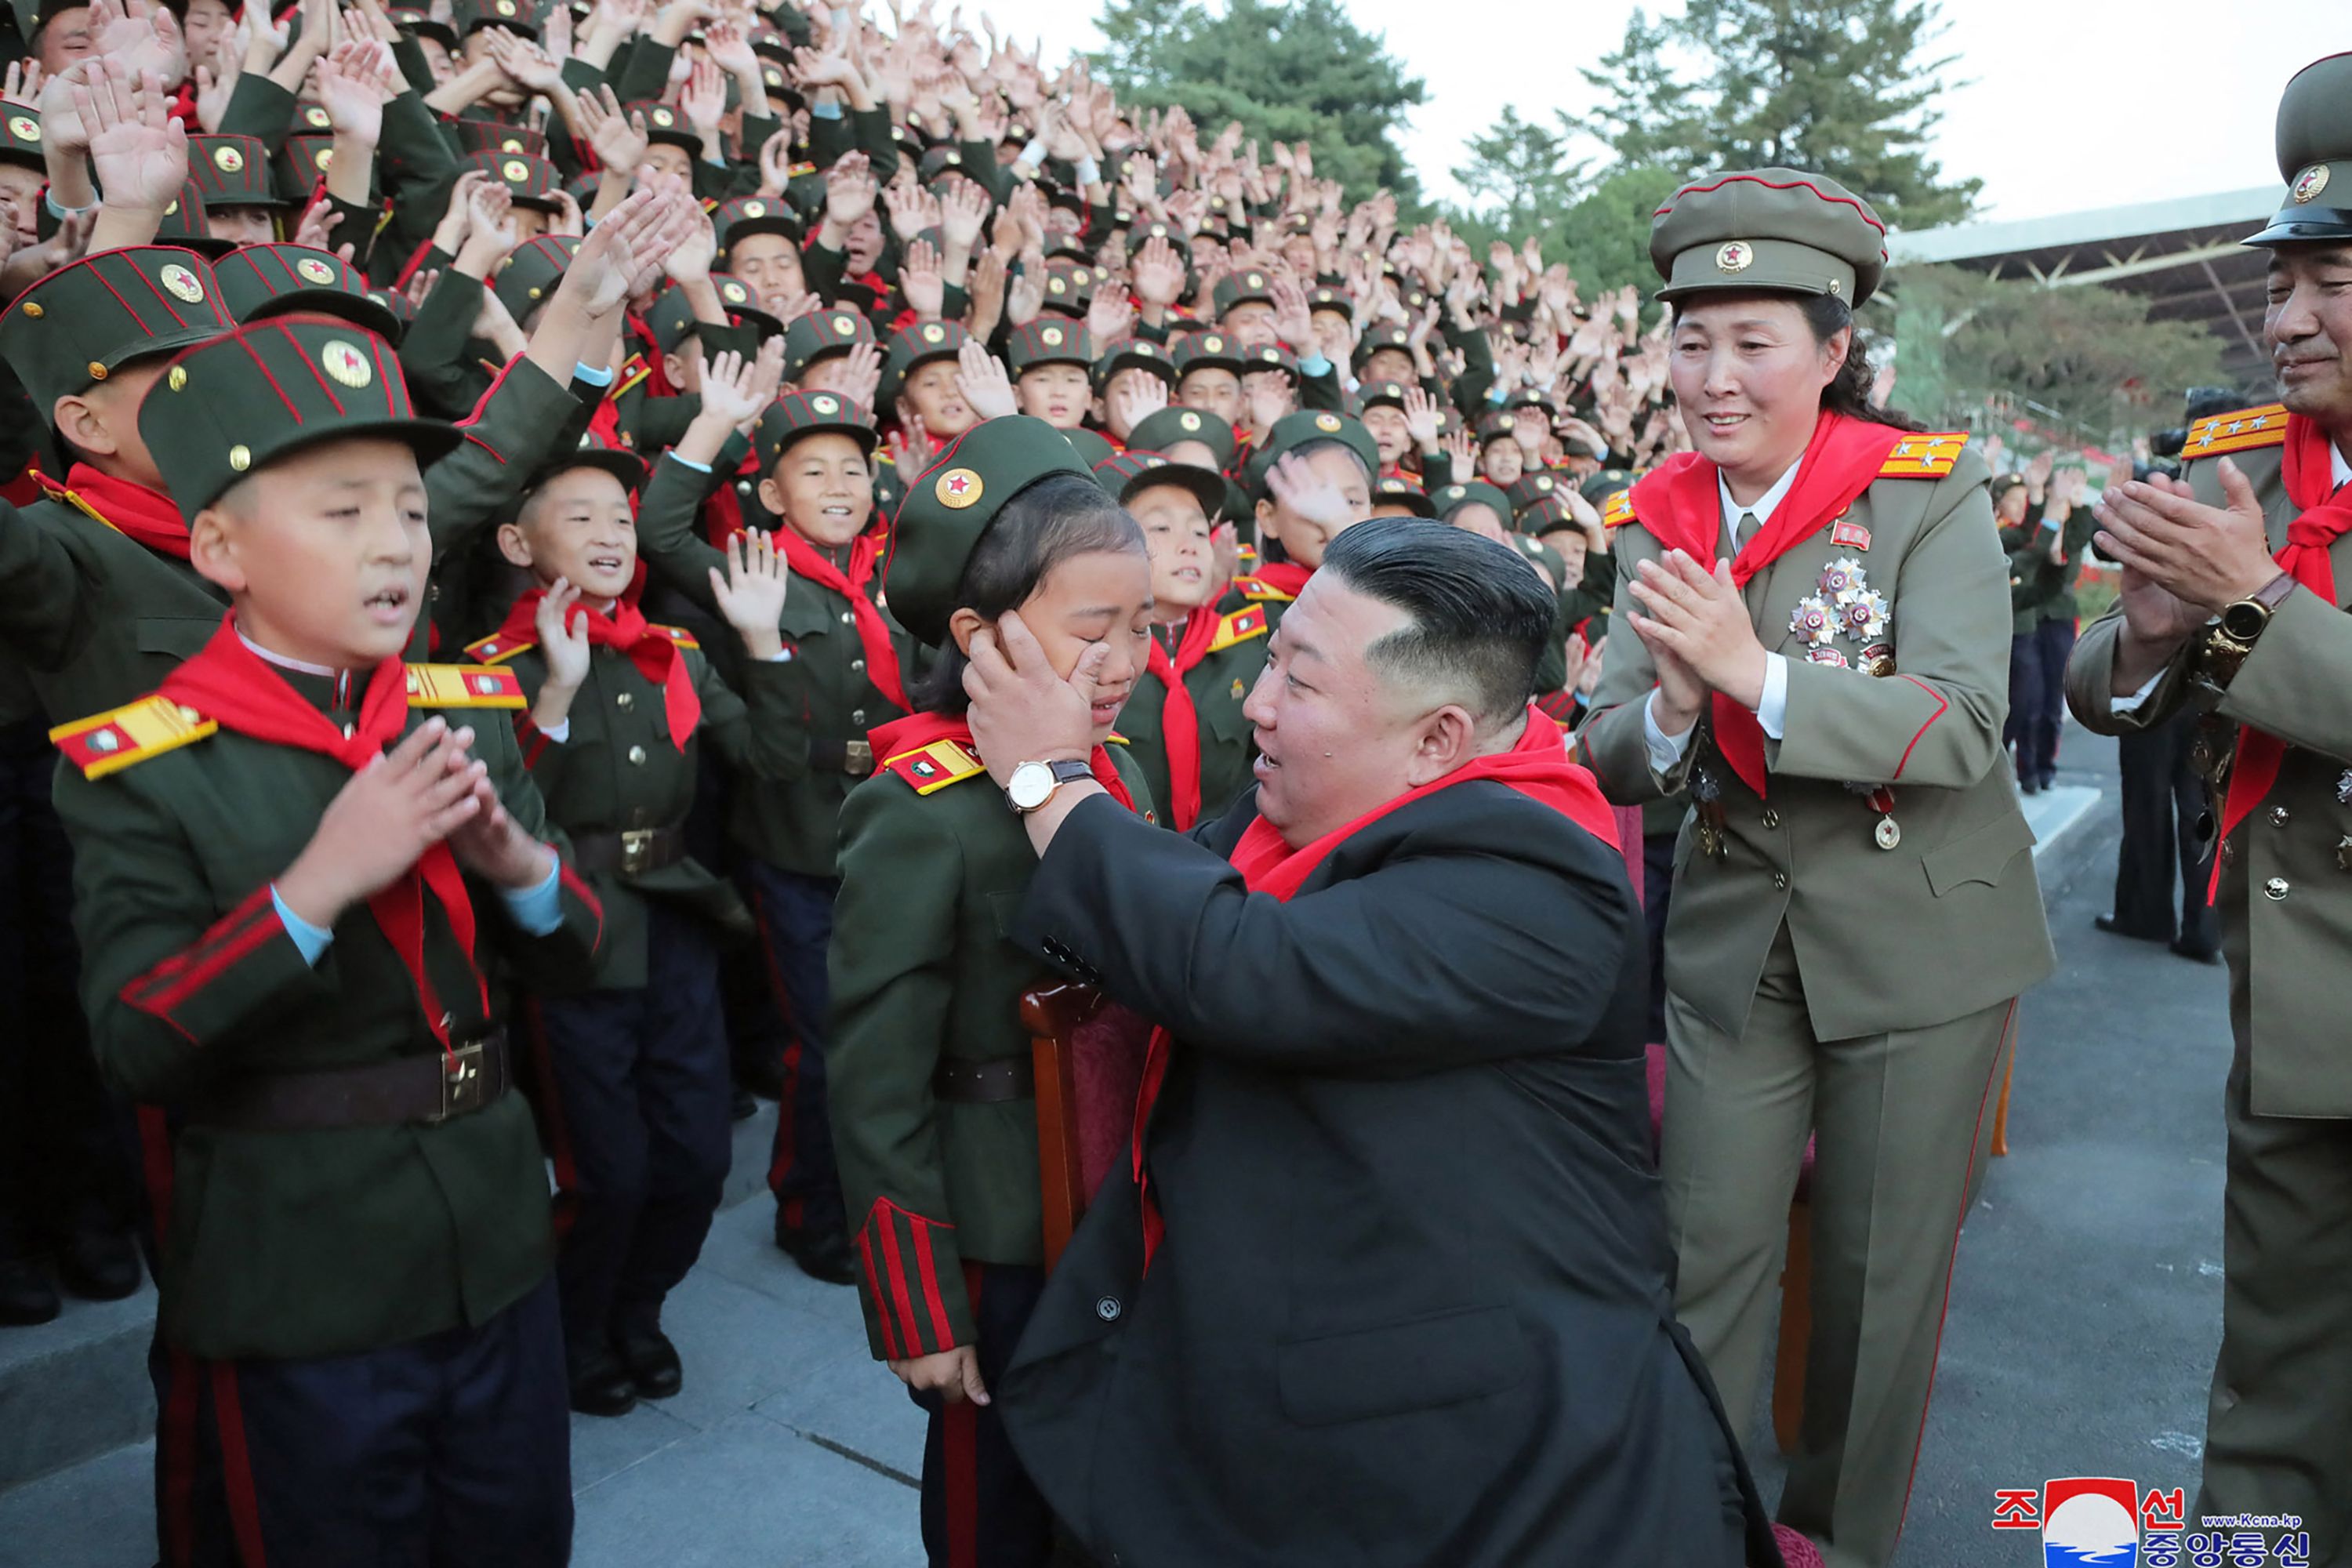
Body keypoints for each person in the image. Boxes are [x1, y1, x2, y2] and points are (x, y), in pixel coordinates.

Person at [964, 517, 1774, 1567]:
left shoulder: (1537, 882)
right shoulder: (1317, 808)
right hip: (1288, 1322)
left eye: (1299, 685)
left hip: (1485, 1441)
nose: (1254, 705)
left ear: (1438, 739)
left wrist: (1048, 777)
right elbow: (1180, 901)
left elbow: (1247, 968)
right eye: (1271, 663)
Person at [50, 314, 604, 1563]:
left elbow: (583, 963)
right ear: (219, 548)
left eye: (409, 511)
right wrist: (315, 887)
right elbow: (138, 1042)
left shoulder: (465, 708)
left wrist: (521, 870)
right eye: (343, 514)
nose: (396, 546)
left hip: (497, 1244)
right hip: (303, 1273)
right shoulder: (145, 764)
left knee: (518, 1535)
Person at [1577, 168, 2055, 1568]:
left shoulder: (1925, 494)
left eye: (1753, 342)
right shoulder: (1656, 512)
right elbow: (1606, 743)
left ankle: (1834, 1547)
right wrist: (1671, 709)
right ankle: (1700, 1534)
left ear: (1835, 353)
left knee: (1869, 1292)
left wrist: (1752, 675)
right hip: (1737, 937)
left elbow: (1965, 724)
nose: (1714, 379)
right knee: (1701, 1260)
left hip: (1916, 935)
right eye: (1690, 341)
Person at [2064, 52, 2352, 1555]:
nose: (2288, 316)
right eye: (2284, 278)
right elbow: (2108, 695)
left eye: (2335, 278)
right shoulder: (2247, 463)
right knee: (2271, 1398)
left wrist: (2240, 606)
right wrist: (2155, 638)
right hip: (2295, 1009)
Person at [826, 416, 1156, 1568]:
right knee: (994, 1511)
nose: (1126, 660)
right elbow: (874, 1073)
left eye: (1144, 627)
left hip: (1113, 1199)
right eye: (1093, 630)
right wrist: (920, 1306)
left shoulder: (1121, 763)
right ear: (980, 635)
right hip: (1002, 1228)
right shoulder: (924, 809)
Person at [470, 438, 808, 1417]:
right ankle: (579, 1327)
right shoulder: (493, 666)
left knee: (697, 1152)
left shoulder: (679, 651)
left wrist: (764, 643)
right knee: (606, 1168)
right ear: (516, 540)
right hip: (574, 931)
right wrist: (561, 688)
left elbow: (775, 763)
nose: (612, 532)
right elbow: (503, 806)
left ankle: (640, 1307)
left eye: (621, 517)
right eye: (580, 517)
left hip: (676, 918)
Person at [639, 366, 922, 1285]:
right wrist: (713, 422)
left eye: (853, 468)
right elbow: (658, 530)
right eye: (813, 472)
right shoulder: (748, 568)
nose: (840, 487)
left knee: (892, 1028)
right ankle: (811, 1208)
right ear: (770, 492)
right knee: (829, 1037)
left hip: (895, 828)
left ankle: (885, 1196)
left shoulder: (902, 571)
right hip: (799, 840)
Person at [1091, 448, 1269, 829]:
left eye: (1200, 531)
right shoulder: (1085, 655)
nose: (1189, 544)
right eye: (1161, 528)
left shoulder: (1246, 650)